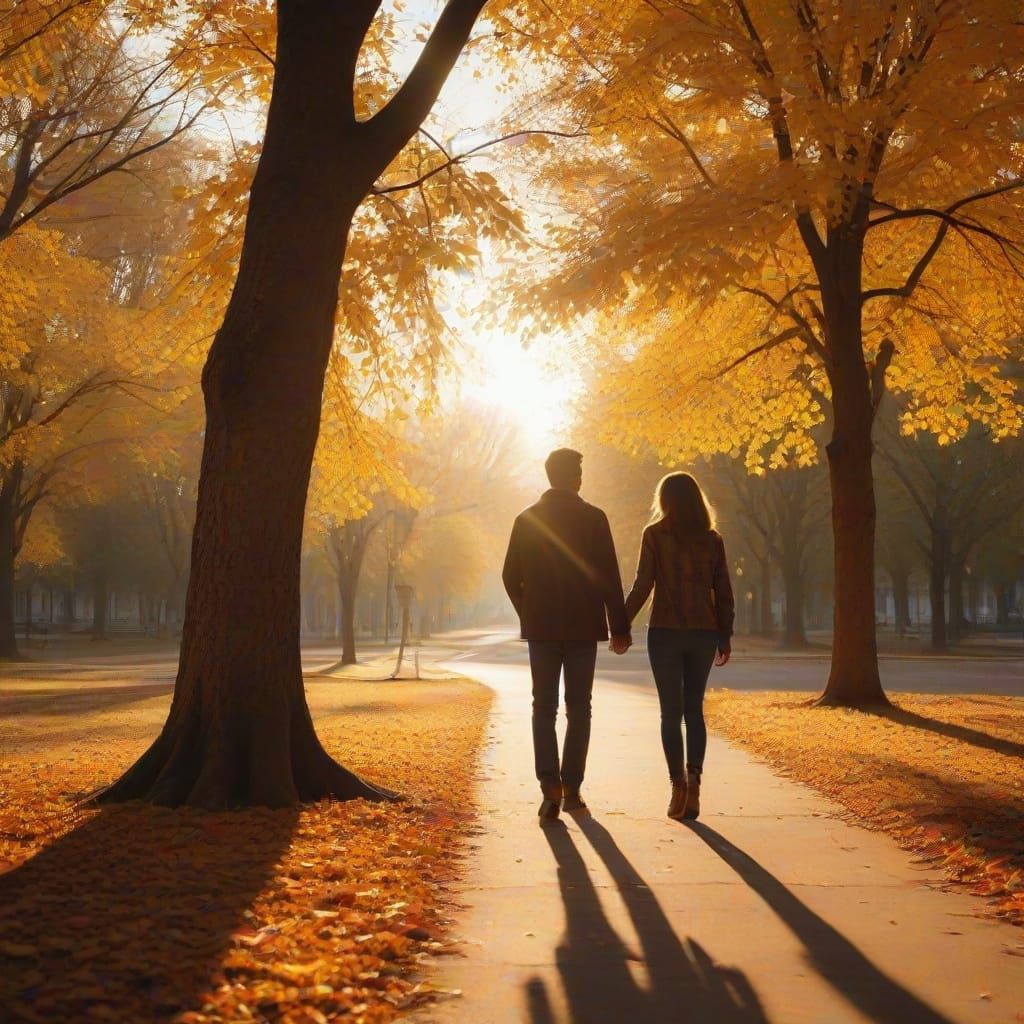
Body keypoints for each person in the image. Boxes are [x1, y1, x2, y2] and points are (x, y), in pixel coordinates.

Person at [502, 448, 632, 821]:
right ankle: (573, 787)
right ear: (573, 477)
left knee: (543, 707)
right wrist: (619, 626)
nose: (581, 477)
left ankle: (549, 786)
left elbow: (510, 576)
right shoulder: (594, 518)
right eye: (578, 471)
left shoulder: (526, 519)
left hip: (542, 628)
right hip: (583, 627)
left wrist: (529, 612)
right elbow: (609, 575)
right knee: (579, 707)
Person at [624, 472, 734, 821]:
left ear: (665, 499)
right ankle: (695, 779)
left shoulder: (654, 535)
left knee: (670, 713)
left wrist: (621, 623)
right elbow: (724, 590)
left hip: (665, 631)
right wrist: (725, 635)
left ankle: (677, 786)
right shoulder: (712, 540)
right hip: (703, 631)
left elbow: (643, 584)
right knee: (694, 710)